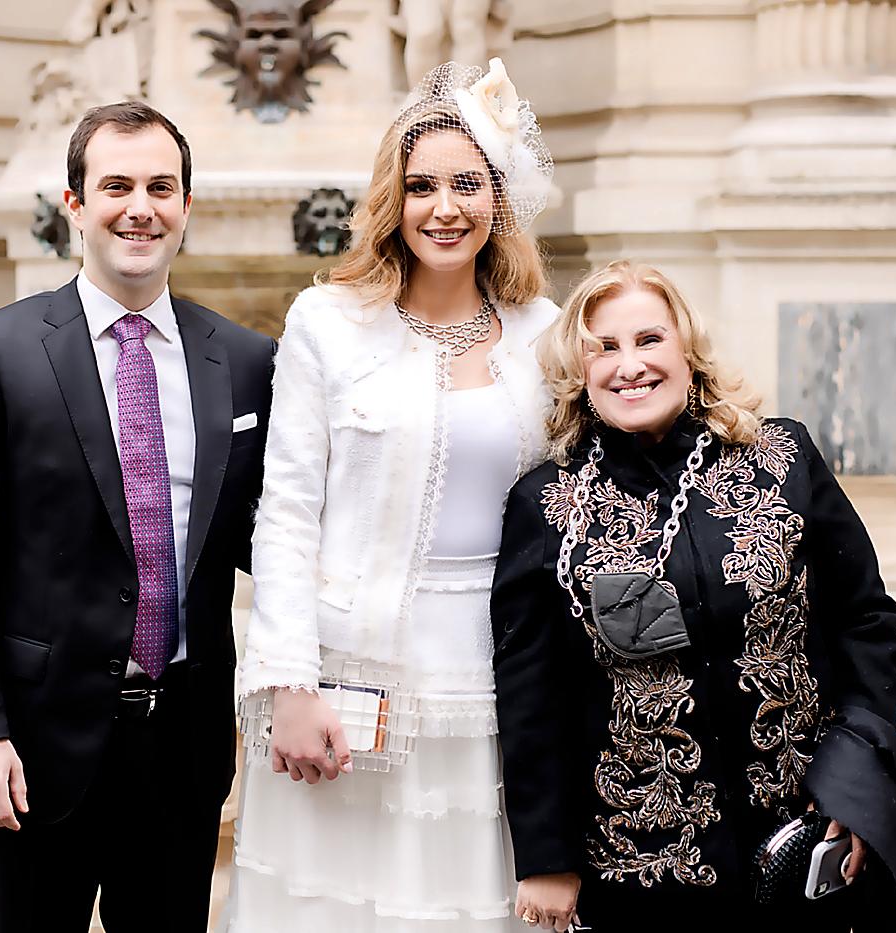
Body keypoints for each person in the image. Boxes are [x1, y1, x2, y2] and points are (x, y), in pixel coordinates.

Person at [491, 261, 896, 932]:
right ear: (580, 369)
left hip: (804, 837)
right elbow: (530, 691)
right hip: (644, 861)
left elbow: (866, 618)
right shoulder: (546, 505)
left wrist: (857, 774)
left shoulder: (782, 457)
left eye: (649, 339)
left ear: (687, 351)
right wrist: (545, 855)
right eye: (606, 346)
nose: (630, 365)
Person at [0, 100, 276, 932]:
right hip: (33, 751)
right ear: (75, 203)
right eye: (115, 185)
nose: (140, 206)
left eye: (161, 185)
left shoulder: (249, 362)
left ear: (187, 205)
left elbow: (272, 536)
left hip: (182, 749)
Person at [220, 58, 556, 930]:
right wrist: (287, 683)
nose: (444, 207)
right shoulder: (328, 323)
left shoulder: (545, 334)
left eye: (466, 184)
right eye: (421, 186)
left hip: (495, 672)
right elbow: (287, 513)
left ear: (500, 199)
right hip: (346, 679)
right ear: (392, 200)